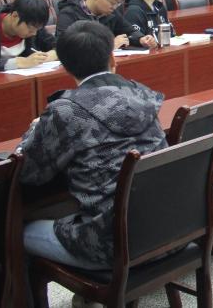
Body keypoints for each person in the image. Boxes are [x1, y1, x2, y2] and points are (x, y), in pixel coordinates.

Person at [17, 21, 168, 270]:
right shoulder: (140, 94)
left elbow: (29, 173)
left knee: (17, 231)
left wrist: (34, 130)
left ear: (65, 67)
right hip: (168, 227)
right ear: (112, 58)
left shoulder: (66, 110)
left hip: (112, 245)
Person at [56, 0, 156, 49]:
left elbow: (129, 31)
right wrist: (109, 46)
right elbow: (65, 47)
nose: (115, 7)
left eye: (118, 3)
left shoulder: (110, 12)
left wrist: (141, 39)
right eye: (113, 2)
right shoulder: (69, 14)